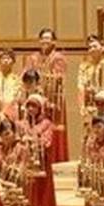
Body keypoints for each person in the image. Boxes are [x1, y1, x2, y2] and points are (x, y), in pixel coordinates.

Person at [26, 28, 69, 164]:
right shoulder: (33, 57)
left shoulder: (58, 58)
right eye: (43, 38)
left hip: (53, 97)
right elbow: (26, 75)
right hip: (35, 97)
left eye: (48, 38)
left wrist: (42, 84)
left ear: (54, 41)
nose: (45, 41)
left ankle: (55, 158)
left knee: (53, 126)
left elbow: (58, 77)